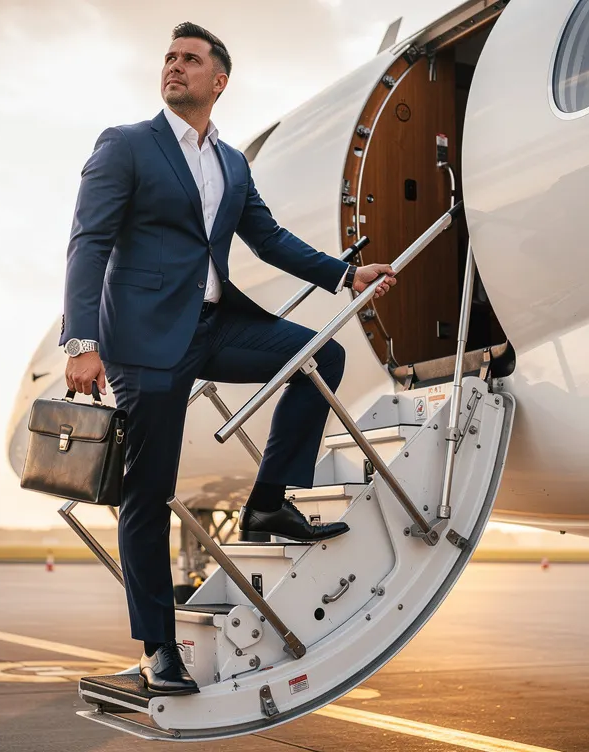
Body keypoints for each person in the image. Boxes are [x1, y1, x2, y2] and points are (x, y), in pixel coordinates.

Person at [58, 22, 397, 695]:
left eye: (191, 60)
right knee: (147, 496)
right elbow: (87, 243)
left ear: (219, 81)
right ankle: (159, 648)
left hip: (214, 326)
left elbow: (267, 239)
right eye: (170, 58)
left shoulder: (231, 162)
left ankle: (269, 501)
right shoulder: (126, 145)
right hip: (145, 344)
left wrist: (344, 275)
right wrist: (81, 341)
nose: (175, 67)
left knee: (317, 357)